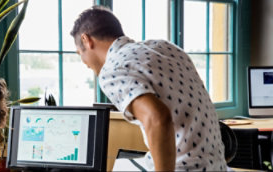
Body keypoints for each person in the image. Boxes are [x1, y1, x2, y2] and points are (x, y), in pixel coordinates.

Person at [71, 6, 226, 171]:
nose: (84, 63)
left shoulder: (112, 69)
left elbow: (158, 118)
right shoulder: (166, 48)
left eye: (80, 53)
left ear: (87, 40)